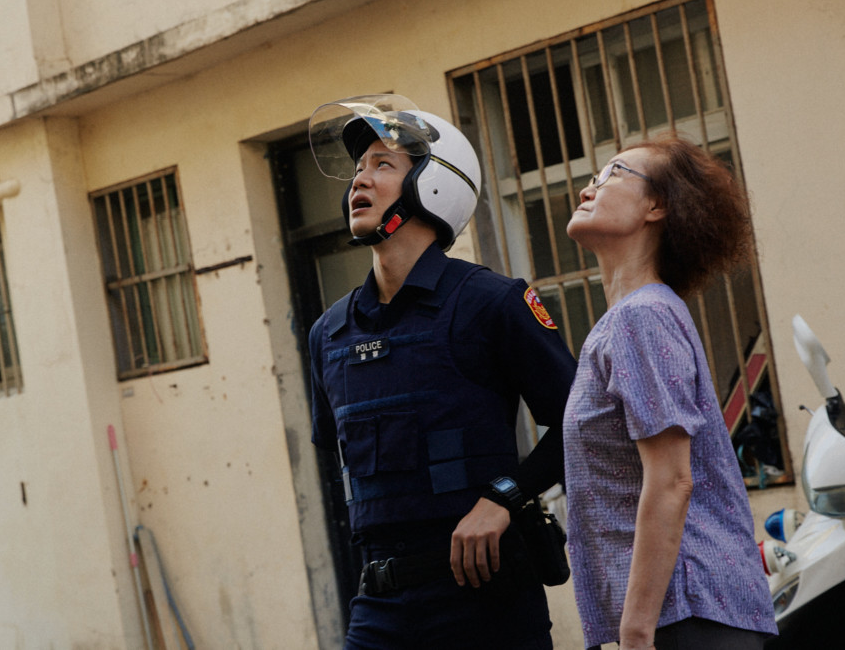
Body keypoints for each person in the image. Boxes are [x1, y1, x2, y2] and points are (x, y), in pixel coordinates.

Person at [307, 95, 577, 649]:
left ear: (434, 183)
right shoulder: (329, 333)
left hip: (487, 601)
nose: (360, 180)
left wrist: (504, 498)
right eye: (358, 167)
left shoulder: (492, 302)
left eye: (383, 165)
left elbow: (582, 422)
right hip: (378, 606)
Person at [562, 136, 778, 650]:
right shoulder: (641, 315)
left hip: (685, 613)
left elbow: (672, 480)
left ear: (656, 206)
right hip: (687, 613)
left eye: (614, 173)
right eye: (593, 176)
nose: (589, 187)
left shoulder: (641, 317)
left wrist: (636, 630)